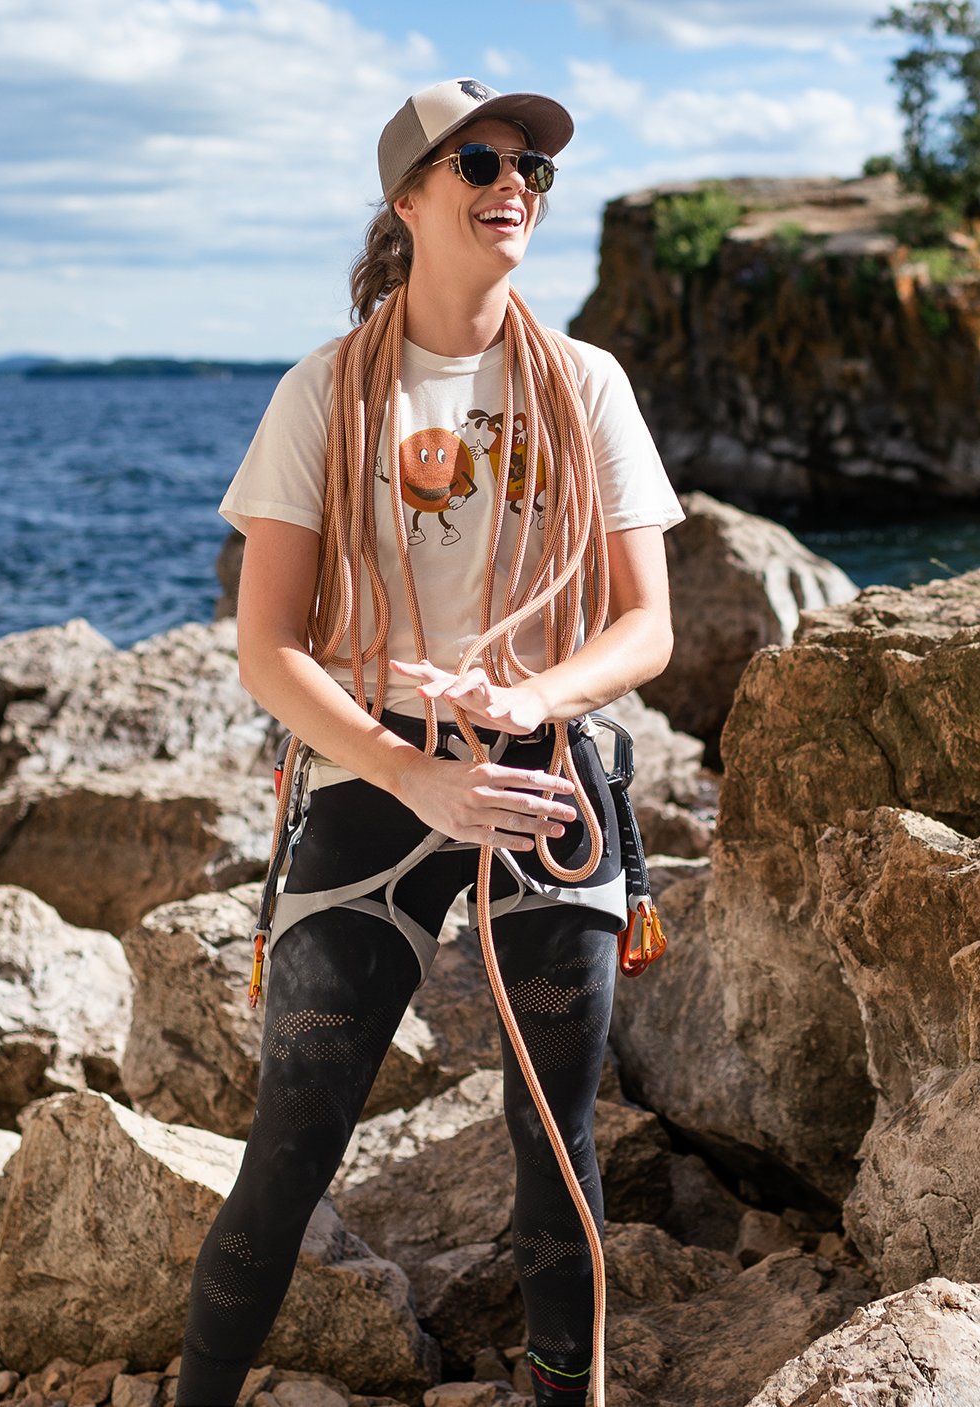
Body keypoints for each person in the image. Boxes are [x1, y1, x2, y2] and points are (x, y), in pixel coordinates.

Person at [180, 77, 683, 1407]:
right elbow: (269, 647)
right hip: (374, 772)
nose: (514, 183)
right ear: (408, 200)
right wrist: (411, 771)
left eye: (533, 168)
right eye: (480, 161)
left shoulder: (587, 384)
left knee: (557, 1152)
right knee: (290, 1148)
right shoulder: (323, 395)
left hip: (540, 772)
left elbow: (645, 630)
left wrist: (529, 703)